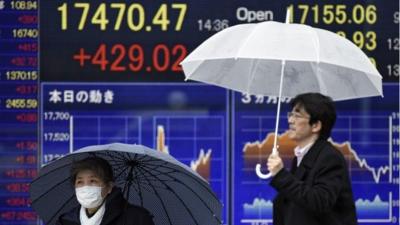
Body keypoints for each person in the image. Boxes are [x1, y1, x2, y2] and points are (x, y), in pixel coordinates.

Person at [267, 93, 357, 225]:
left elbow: (320, 201)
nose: (290, 120)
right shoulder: (301, 157)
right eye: (290, 115)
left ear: (316, 125)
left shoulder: (330, 158)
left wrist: (281, 175)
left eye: (297, 116)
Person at [56, 157, 155, 225]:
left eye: (93, 181)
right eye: (80, 182)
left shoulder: (137, 219)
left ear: (109, 187)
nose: (86, 187)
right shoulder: (66, 221)